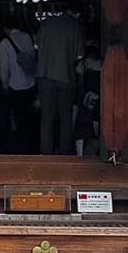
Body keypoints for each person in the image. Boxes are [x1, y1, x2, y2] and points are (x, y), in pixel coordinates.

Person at [35, 10, 83, 155]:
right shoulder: (75, 26)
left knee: (47, 117)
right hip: (66, 77)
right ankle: (65, 151)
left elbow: (36, 48)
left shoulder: (45, 24)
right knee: (66, 117)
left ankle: (46, 151)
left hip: (45, 75)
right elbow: (79, 56)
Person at [0, 19, 37, 152]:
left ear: (5, 28)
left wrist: (4, 87)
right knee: (29, 119)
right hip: (31, 84)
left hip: (15, 87)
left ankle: (20, 148)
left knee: (17, 120)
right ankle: (31, 146)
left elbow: (4, 70)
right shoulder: (27, 37)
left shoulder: (5, 43)